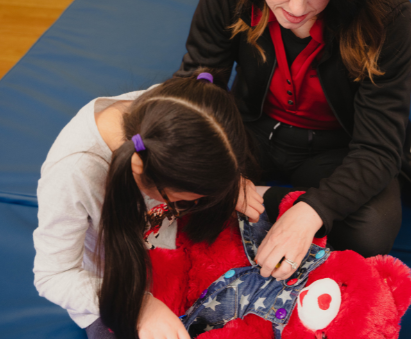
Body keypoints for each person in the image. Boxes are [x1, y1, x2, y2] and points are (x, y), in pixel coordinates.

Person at [175, 0, 411, 282]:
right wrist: (224, 172)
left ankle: (266, 200)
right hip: (250, 130)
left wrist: (311, 211)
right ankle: (266, 200)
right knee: (178, 185)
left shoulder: (387, 13)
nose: (296, 5)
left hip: (335, 146)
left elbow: (378, 148)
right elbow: (201, 81)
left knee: (371, 233)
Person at [33, 71, 264, 339]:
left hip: (183, 251)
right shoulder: (73, 173)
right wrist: (139, 306)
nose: (199, 201)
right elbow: (53, 276)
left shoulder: (176, 108)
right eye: (190, 196)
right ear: (139, 169)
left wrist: (228, 182)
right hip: (119, 286)